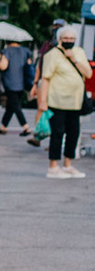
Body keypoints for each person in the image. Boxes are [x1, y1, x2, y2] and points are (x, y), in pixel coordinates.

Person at [36, 25, 92, 178]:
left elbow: (88, 73)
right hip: (57, 101)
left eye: (72, 39)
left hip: (75, 102)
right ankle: (53, 166)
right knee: (57, 133)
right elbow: (45, 79)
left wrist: (74, 59)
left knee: (74, 133)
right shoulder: (52, 55)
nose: (69, 41)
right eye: (66, 38)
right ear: (59, 39)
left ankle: (68, 164)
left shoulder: (79, 52)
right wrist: (43, 101)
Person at [0, 36, 34, 133]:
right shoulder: (26, 51)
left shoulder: (7, 51)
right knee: (11, 106)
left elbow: (3, 66)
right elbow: (29, 65)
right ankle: (3, 126)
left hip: (10, 82)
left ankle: (25, 126)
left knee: (15, 105)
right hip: (22, 82)